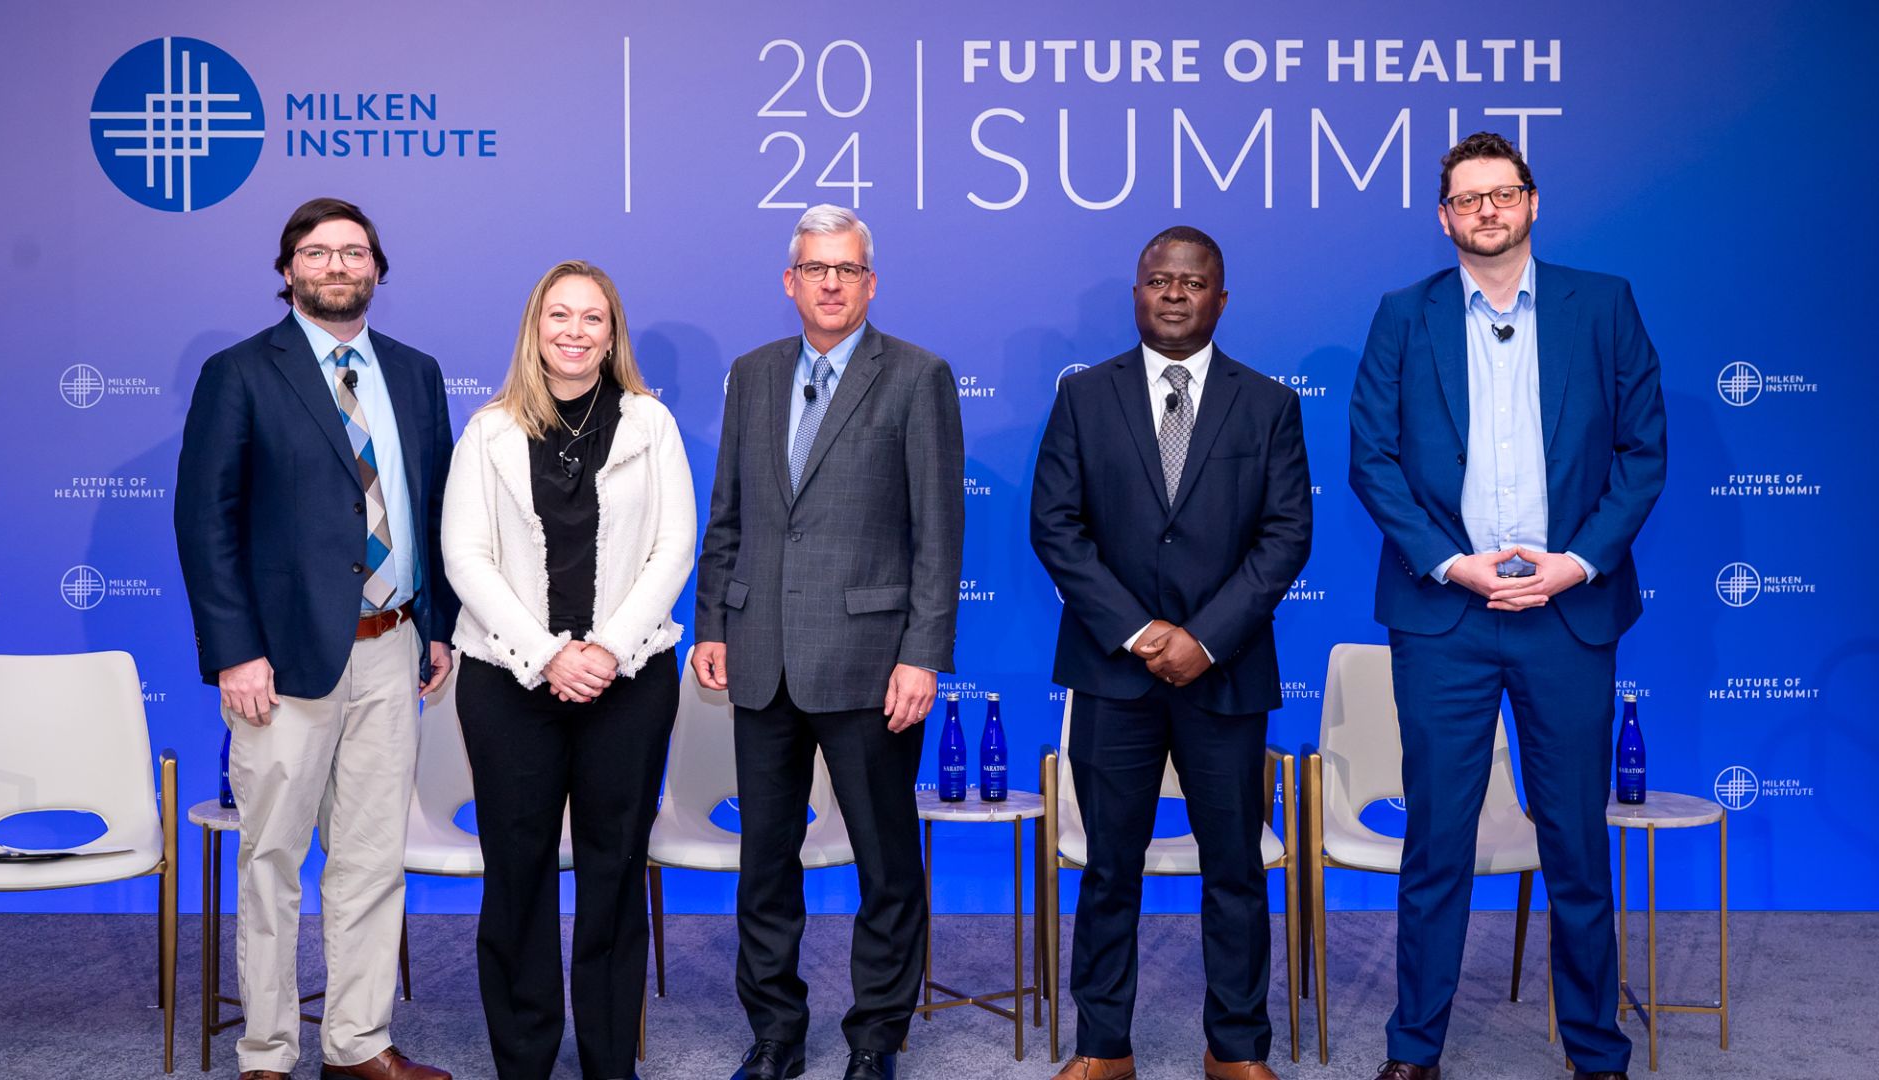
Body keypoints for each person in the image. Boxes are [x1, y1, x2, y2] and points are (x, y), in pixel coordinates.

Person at [1346, 132, 1667, 1080]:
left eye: (1504, 192)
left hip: (1568, 614)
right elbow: (1374, 461)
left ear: (1533, 204)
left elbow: (1643, 453)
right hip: (1445, 615)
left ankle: (1596, 1052)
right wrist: (1454, 564)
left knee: (1574, 842)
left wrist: (1576, 564)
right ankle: (1416, 1051)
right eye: (1468, 197)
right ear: (1444, 217)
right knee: (1436, 842)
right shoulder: (1402, 316)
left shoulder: (1601, 305)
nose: (1487, 209)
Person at [173, 196, 456, 1080]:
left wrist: (437, 627)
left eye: (354, 252)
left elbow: (435, 508)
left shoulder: (414, 372)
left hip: (393, 646)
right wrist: (233, 651)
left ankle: (358, 1044)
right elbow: (204, 519)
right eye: (318, 252)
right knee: (270, 862)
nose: (338, 266)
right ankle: (266, 1052)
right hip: (280, 660)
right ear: (287, 269)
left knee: (372, 860)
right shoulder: (241, 372)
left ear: (378, 268)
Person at [1029, 226, 1312, 1080]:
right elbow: (1056, 527)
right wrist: (1148, 634)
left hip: (1226, 677)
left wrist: (1204, 639)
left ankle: (1236, 1050)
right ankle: (1103, 1047)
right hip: (1113, 674)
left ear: (1221, 300)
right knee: (1110, 867)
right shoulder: (1083, 397)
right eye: (1160, 280)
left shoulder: (1268, 403)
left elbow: (1287, 534)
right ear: (1137, 293)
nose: (1176, 293)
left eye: (1194, 282)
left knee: (1233, 869)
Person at [693, 204, 964, 1080]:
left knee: (887, 866)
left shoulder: (918, 377)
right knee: (765, 864)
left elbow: (939, 532)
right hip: (762, 659)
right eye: (816, 268)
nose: (832, 283)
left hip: (873, 665)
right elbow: (727, 514)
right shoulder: (754, 374)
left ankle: (877, 1036)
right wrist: (712, 624)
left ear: (870, 282)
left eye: (847, 269)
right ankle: (775, 1032)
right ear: (791, 281)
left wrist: (923, 654)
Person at [442, 260, 694, 1079]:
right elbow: (465, 558)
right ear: (535, 328)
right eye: (560, 316)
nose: (575, 332)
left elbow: (672, 549)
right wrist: (548, 654)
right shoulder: (487, 431)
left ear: (612, 332)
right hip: (507, 684)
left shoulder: (652, 424)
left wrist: (606, 651)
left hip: (629, 682)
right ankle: (523, 1058)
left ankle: (609, 1061)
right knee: (515, 872)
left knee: (614, 870)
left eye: (593, 318)